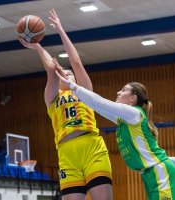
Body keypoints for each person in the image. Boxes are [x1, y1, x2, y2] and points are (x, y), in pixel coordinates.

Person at [19, 9, 113, 200]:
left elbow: (76, 63)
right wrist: (37, 46)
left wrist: (61, 30)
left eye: (69, 74)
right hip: (66, 152)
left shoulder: (84, 91)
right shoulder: (52, 98)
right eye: (64, 73)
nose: (67, 74)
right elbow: (51, 70)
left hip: (91, 147)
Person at [55, 65, 175, 199]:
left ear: (133, 98)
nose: (118, 92)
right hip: (149, 175)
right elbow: (96, 106)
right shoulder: (124, 120)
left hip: (161, 173)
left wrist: (73, 86)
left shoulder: (134, 113)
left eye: (123, 90)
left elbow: (100, 101)